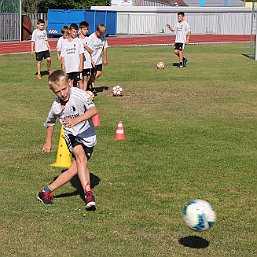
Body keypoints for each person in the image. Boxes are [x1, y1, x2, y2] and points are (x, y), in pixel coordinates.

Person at [37, 70, 97, 209]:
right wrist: (48, 142)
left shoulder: (80, 94)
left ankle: (45, 191)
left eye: (64, 89)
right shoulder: (56, 107)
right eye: (58, 91)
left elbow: (93, 111)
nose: (62, 93)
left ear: (69, 83)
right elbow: (50, 122)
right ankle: (88, 193)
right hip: (71, 134)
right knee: (81, 157)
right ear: (53, 91)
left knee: (74, 169)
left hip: (87, 135)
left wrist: (76, 120)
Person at [61, 23, 84, 87]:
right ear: (69, 31)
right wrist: (63, 66)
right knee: (69, 81)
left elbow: (81, 54)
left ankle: (82, 96)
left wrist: (81, 65)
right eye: (73, 32)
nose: (75, 34)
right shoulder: (64, 42)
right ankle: (70, 96)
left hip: (76, 66)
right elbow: (62, 55)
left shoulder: (79, 41)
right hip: (68, 66)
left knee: (79, 81)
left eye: (76, 32)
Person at [87, 23, 108, 92]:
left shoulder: (103, 38)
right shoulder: (91, 38)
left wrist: (105, 59)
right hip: (92, 59)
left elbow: (104, 48)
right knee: (93, 74)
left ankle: (88, 83)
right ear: (96, 30)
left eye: (102, 34)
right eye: (100, 34)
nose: (101, 35)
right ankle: (91, 87)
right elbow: (88, 50)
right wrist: (90, 60)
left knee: (99, 73)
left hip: (99, 60)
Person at [78, 21, 93, 91]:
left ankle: (84, 92)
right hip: (79, 62)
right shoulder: (77, 39)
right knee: (79, 79)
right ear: (80, 29)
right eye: (84, 29)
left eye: (87, 29)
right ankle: (79, 92)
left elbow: (91, 51)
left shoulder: (88, 39)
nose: (86, 31)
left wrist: (85, 46)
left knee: (85, 78)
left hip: (87, 63)